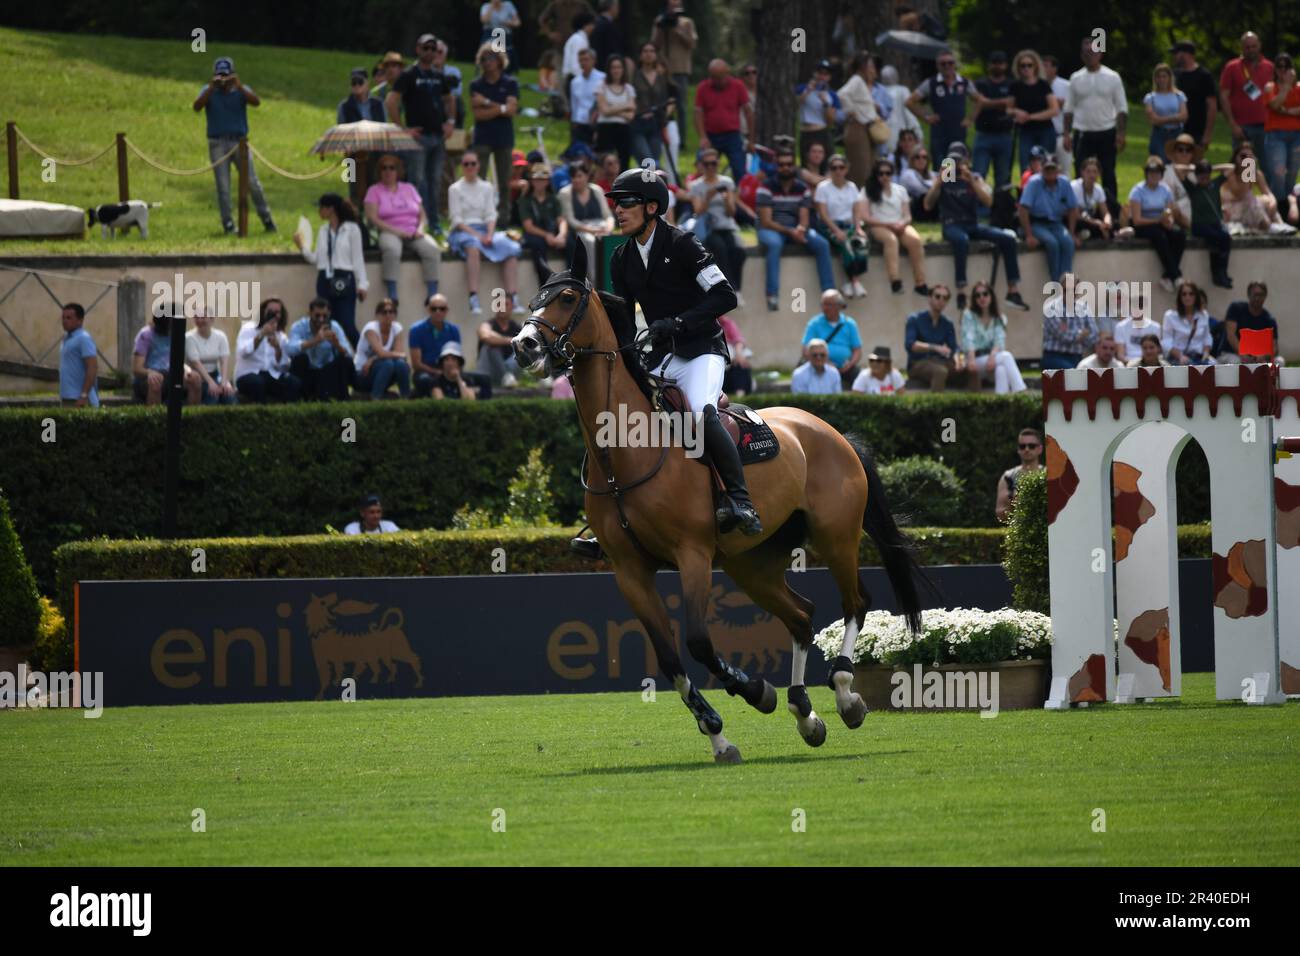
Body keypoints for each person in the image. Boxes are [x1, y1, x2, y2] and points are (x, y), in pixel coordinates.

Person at [574, 165, 756, 559]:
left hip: (700, 350)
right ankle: (610, 518)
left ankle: (739, 500)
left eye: (626, 204)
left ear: (652, 207)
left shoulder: (684, 245)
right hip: (659, 353)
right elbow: (623, 321)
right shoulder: (620, 259)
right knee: (616, 418)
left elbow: (725, 296)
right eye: (616, 204)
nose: (618, 211)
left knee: (701, 415)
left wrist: (678, 322)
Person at [923, 146, 1028, 312]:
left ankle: (1013, 290)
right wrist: (938, 182)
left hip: (971, 224)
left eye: (959, 161)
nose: (956, 166)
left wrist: (971, 180)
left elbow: (989, 202)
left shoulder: (974, 178)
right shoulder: (943, 179)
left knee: (1008, 239)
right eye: (953, 162)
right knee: (961, 241)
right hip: (952, 225)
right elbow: (927, 205)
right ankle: (961, 292)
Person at [193, 55, 275, 235]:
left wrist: (238, 85)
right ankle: (228, 223)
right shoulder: (208, 90)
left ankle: (267, 218)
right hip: (217, 143)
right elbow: (197, 107)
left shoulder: (241, 90)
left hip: (240, 143)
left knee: (252, 182)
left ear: (233, 74)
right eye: (219, 75)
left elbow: (256, 102)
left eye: (226, 75)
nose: (223, 80)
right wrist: (211, 88)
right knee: (223, 186)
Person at [386, 34, 457, 239]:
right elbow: (391, 101)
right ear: (418, 49)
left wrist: (451, 122)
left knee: (435, 181)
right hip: (418, 137)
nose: (429, 52)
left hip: (437, 137)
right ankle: (416, 220)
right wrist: (403, 128)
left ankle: (434, 222)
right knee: (418, 181)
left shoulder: (438, 75)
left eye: (433, 49)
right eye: (426, 48)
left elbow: (449, 99)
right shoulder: (408, 74)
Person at [756, 148, 836, 311]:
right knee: (774, 245)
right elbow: (766, 221)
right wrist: (790, 231)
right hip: (771, 229)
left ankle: (829, 294)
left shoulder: (802, 188)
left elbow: (804, 218)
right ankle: (772, 294)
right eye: (781, 164)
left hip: (794, 229)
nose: (785, 167)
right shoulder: (766, 187)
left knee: (822, 244)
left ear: (794, 166)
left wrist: (800, 229)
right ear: (776, 166)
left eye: (789, 164)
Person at [448, 152, 526, 317]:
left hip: (486, 230)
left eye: (473, 163)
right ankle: (473, 297)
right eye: (466, 164)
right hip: (464, 231)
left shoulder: (487, 187)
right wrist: (478, 236)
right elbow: (457, 219)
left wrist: (489, 234)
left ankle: (513, 296)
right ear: (462, 166)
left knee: (510, 248)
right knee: (473, 247)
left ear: (478, 166)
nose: (470, 167)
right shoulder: (455, 188)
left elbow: (491, 214)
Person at [293, 193, 368, 348]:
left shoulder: (351, 229)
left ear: (331, 209)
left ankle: (363, 355)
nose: (320, 211)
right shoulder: (323, 230)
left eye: (322, 208)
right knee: (325, 322)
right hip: (325, 278)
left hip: (344, 277)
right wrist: (302, 247)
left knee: (347, 324)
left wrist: (362, 284)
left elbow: (357, 258)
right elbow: (317, 259)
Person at [1062, 37, 1127, 217]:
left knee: (1108, 173)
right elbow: (1068, 109)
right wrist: (1067, 134)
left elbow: (1121, 108)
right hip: (1083, 132)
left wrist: (1121, 133)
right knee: (1081, 174)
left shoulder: (1112, 77)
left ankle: (1111, 214)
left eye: (1093, 52)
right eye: (1085, 53)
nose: (1089, 56)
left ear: (1101, 53)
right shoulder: (1076, 78)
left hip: (1106, 131)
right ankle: (1079, 212)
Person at [363, 156, 442, 304]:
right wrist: (397, 232)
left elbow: (422, 214)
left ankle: (432, 293)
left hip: (413, 230)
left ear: (398, 171)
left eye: (391, 168)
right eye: (384, 168)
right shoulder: (374, 190)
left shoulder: (409, 188)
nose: (388, 171)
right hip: (388, 230)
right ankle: (392, 292)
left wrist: (420, 228)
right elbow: (373, 218)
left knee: (432, 249)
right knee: (392, 249)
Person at [860, 158, 928, 295]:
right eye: (881, 173)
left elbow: (908, 215)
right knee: (891, 240)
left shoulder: (900, 190)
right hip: (878, 225)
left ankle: (920, 282)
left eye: (888, 173)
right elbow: (865, 217)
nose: (885, 176)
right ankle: (895, 281)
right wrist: (888, 224)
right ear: (876, 174)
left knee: (915, 240)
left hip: (899, 224)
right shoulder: (867, 190)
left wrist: (902, 223)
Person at [687, 148, 745, 297]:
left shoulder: (727, 182)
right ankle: (729, 288)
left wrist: (727, 200)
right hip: (709, 228)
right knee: (720, 249)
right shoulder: (696, 186)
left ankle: (736, 288)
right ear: (701, 165)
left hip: (727, 226)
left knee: (738, 250)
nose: (711, 167)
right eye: (707, 164)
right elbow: (698, 211)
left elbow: (731, 213)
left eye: (713, 163)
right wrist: (708, 197)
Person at [469, 45, 520, 203]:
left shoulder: (510, 83)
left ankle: (503, 217)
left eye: (491, 58)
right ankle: (478, 213)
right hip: (482, 137)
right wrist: (501, 108)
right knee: (479, 179)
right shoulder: (476, 85)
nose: (487, 62)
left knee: (504, 180)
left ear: (499, 60)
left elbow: (512, 110)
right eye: (483, 59)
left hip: (504, 137)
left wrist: (486, 102)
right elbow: (479, 115)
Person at [814, 155, 869, 300]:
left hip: (849, 224)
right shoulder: (823, 188)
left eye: (841, 167)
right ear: (830, 170)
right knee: (846, 244)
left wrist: (858, 228)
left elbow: (856, 210)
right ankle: (855, 282)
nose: (838, 171)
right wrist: (836, 230)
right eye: (834, 168)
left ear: (847, 169)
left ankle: (850, 283)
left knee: (861, 244)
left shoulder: (851, 187)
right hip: (829, 225)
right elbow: (823, 214)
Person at [1018, 156, 1080, 282]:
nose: (1050, 172)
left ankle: (1066, 280)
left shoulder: (1064, 183)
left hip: (1057, 223)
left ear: (1058, 170)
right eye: (1047, 169)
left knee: (1068, 242)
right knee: (1052, 244)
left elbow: (1073, 209)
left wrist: (1072, 233)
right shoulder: (1034, 183)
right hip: (1037, 223)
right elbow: (1023, 209)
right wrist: (1029, 235)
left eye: (1053, 169)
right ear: (1042, 170)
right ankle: (1055, 282)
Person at [1128, 157, 1186, 291]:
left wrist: (1169, 221)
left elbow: (1169, 210)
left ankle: (1167, 275)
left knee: (1179, 235)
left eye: (1157, 172)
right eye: (1151, 172)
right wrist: (1158, 221)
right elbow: (1137, 219)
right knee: (1159, 236)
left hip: (1160, 222)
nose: (1154, 175)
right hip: (1143, 225)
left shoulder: (1165, 190)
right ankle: (1176, 275)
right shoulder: (1137, 191)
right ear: (1146, 174)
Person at [906, 51, 975, 161]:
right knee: (943, 169)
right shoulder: (931, 83)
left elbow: (979, 100)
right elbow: (909, 102)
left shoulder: (964, 82)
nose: (947, 66)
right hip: (940, 134)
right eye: (943, 64)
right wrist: (926, 117)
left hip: (958, 132)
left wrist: (971, 118)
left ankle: (952, 178)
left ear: (955, 64)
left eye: (950, 63)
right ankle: (945, 178)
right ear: (938, 66)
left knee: (957, 166)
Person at [960, 280, 1026, 393]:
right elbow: (968, 338)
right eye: (977, 295)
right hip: (974, 360)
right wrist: (971, 359)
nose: (982, 298)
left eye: (985, 294)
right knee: (1006, 356)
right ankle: (1021, 392)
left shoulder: (999, 318)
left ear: (991, 296)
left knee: (1001, 369)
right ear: (974, 299)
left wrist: (992, 357)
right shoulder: (968, 315)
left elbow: (999, 340)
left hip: (992, 359)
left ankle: (1001, 404)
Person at [287, 298, 355, 401]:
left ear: (329, 314)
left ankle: (343, 398)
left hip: (326, 372)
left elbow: (349, 355)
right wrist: (315, 340)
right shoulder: (299, 326)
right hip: (307, 372)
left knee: (344, 361)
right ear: (309, 313)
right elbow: (290, 350)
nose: (321, 319)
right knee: (299, 359)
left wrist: (337, 345)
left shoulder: (334, 326)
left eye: (325, 316)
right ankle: (299, 398)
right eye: (317, 316)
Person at [1219, 32, 1274, 160]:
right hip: (1243, 128)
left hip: (1266, 127)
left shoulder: (1270, 67)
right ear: (1242, 48)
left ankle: (1265, 181)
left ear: (1259, 46)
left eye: (1254, 46)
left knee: (1269, 169)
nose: (1251, 50)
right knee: (1246, 169)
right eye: (1247, 47)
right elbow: (1224, 96)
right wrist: (1233, 124)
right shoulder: (1232, 67)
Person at [695, 59, 753, 181]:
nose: (717, 81)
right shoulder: (703, 88)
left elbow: (748, 112)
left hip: (732, 136)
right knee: (703, 166)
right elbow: (698, 113)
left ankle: (739, 196)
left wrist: (751, 139)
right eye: (714, 77)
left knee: (739, 169)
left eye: (720, 77)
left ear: (727, 73)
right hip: (711, 135)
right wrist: (702, 137)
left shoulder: (737, 86)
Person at [1180, 158, 1233, 288]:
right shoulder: (1193, 188)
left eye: (1206, 174)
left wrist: (1211, 168)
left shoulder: (1215, 184)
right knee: (1219, 238)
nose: (1204, 177)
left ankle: (1221, 273)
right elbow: (1178, 170)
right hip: (1199, 225)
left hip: (1215, 223)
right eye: (1201, 175)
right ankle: (1218, 274)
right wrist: (1194, 168)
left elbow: (1231, 168)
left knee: (1225, 239)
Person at [234, 299, 300, 403]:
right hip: (247, 374)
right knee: (258, 383)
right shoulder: (249, 328)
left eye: (277, 312)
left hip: (270, 374)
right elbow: (243, 352)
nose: (274, 315)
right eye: (270, 311)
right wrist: (261, 335)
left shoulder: (281, 336)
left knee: (293, 383)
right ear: (263, 312)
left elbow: (284, 366)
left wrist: (277, 348)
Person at [1220, 143, 1295, 234]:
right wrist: (1248, 171)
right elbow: (1241, 194)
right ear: (1236, 157)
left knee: (1265, 200)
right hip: (1231, 210)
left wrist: (1272, 202)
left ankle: (1279, 224)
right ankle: (1269, 227)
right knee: (1252, 201)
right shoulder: (1231, 173)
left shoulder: (1257, 174)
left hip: (1248, 207)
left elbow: (1267, 192)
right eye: (1243, 156)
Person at [517, 163, 572, 285]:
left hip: (552, 233)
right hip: (535, 234)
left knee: (571, 239)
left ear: (547, 181)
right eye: (536, 180)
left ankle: (573, 277)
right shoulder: (525, 200)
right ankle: (546, 284)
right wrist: (547, 235)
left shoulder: (554, 198)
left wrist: (562, 235)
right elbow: (528, 226)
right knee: (538, 244)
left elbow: (561, 220)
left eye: (542, 180)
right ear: (531, 181)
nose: (539, 183)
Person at [134, 308, 201, 405]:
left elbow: (178, 361)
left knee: (195, 379)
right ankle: (155, 417)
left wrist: (188, 370)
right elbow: (137, 369)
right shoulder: (146, 334)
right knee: (156, 381)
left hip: (172, 373)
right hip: (150, 375)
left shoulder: (177, 333)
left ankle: (192, 417)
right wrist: (151, 373)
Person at [1009, 50, 1060, 178]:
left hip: (1045, 130)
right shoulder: (1015, 86)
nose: (1026, 68)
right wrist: (1017, 111)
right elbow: (1008, 109)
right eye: (1023, 65)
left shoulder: (1043, 85)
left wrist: (1030, 117)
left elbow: (1054, 109)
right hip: (1026, 132)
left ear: (1035, 66)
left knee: (1047, 163)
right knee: (1026, 165)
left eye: (1029, 65)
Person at [558, 159, 614, 273]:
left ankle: (609, 278)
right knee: (591, 241)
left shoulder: (597, 190)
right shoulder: (565, 193)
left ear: (587, 176)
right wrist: (591, 230)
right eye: (573, 177)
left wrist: (608, 228)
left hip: (600, 226)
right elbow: (570, 220)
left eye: (579, 176)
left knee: (608, 240)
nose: (576, 180)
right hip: (580, 230)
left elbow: (608, 215)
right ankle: (594, 280)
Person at [836, 52, 882, 189]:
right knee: (861, 169)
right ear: (863, 66)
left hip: (868, 129)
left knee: (870, 166)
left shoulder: (862, 82)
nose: (872, 69)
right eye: (870, 65)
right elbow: (842, 94)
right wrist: (853, 111)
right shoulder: (856, 80)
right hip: (858, 128)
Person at [971, 51, 1015, 190]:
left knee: (1003, 177)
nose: (997, 66)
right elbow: (978, 102)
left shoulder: (1011, 84)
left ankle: (999, 208)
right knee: (978, 175)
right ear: (989, 65)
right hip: (983, 134)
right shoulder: (980, 83)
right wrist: (1002, 102)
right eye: (994, 63)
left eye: (1000, 63)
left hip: (1004, 134)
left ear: (1005, 65)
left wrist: (987, 102)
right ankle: (980, 209)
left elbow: (1011, 104)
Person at [801, 290, 863, 390]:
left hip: (846, 368)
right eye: (823, 304)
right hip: (820, 364)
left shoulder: (850, 324)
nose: (825, 308)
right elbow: (805, 350)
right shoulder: (814, 324)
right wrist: (825, 363)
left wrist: (850, 363)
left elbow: (857, 350)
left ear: (839, 306)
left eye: (829, 304)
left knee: (860, 380)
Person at [1263, 53, 1300, 214]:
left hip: (1295, 134)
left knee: (1291, 172)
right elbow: (1274, 106)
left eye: (1286, 66)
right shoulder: (1270, 86)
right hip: (1269, 132)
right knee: (1277, 171)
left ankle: (1289, 208)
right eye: (1279, 67)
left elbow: (1279, 107)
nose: (1283, 70)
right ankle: (1276, 206)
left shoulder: (1298, 87)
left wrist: (1285, 110)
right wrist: (1285, 87)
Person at [904, 286, 959, 390]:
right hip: (918, 363)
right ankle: (937, 405)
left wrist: (959, 360)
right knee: (940, 371)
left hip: (940, 361)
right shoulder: (914, 319)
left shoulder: (947, 323)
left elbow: (954, 347)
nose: (941, 300)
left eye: (945, 298)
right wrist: (934, 347)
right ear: (929, 298)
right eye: (937, 296)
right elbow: (910, 344)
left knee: (970, 370)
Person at [650, 0, 698, 118]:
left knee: (681, 106)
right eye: (671, 6)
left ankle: (681, 136)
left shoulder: (687, 23)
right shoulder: (659, 21)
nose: (673, 9)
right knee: (661, 104)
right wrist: (661, 28)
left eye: (676, 6)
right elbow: (654, 45)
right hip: (663, 69)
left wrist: (677, 31)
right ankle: (663, 133)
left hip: (681, 69)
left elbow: (692, 44)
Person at [1171, 41, 1217, 161]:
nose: (1174, 57)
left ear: (1186, 54)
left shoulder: (1204, 76)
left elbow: (1212, 105)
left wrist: (1207, 134)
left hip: (1197, 130)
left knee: (1195, 164)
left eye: (1176, 53)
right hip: (1176, 128)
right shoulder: (1175, 75)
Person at [354, 298, 410, 398]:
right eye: (384, 312)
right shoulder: (371, 328)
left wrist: (373, 358)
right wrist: (382, 356)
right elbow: (384, 353)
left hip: (382, 370)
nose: (388, 315)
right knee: (387, 364)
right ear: (377, 315)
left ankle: (406, 398)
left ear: (395, 315)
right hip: (362, 373)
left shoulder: (397, 328)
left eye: (391, 312)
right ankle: (376, 399)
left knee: (401, 364)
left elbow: (399, 354)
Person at [410, 294, 463, 397]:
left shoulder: (454, 330)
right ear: (428, 310)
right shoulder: (416, 330)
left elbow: (457, 358)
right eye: (434, 309)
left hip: (448, 369)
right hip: (426, 370)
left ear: (447, 310)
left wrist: (451, 372)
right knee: (425, 380)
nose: (438, 312)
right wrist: (436, 372)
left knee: (483, 379)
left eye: (442, 309)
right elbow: (416, 364)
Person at [631, 43, 673, 172]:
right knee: (648, 161)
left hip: (656, 124)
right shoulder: (634, 76)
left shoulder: (661, 78)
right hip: (638, 123)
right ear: (641, 55)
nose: (648, 54)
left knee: (653, 163)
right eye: (645, 51)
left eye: (652, 51)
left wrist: (664, 125)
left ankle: (650, 190)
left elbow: (665, 102)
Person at [1041, 277, 1099, 369]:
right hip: (1055, 356)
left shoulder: (1084, 307)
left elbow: (1094, 335)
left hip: (1077, 357)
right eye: (1066, 290)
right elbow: (1064, 335)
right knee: (1074, 377)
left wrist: (1077, 335)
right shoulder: (1051, 308)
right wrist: (1082, 334)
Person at [185, 306, 237, 405]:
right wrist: (210, 383)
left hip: (215, 374)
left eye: (203, 317)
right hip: (198, 377)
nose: (200, 320)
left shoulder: (220, 336)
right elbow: (196, 363)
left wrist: (224, 382)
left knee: (229, 395)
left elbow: (224, 361)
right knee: (213, 395)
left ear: (212, 319)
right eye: (196, 317)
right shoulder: (189, 338)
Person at [1220, 282, 1279, 363]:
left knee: (1279, 361)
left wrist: (1264, 355)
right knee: (1237, 363)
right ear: (1248, 295)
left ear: (1265, 296)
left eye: (1261, 295)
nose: (1257, 298)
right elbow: (1231, 335)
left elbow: (1274, 346)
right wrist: (1242, 354)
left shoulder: (1269, 319)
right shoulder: (1235, 308)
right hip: (1231, 354)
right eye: (1255, 294)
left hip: (1258, 358)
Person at [595, 55, 636, 170]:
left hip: (623, 130)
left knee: (623, 160)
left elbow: (630, 115)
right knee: (604, 161)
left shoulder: (629, 89)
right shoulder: (601, 86)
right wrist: (624, 107)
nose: (616, 70)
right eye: (613, 67)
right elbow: (604, 111)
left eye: (619, 67)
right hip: (605, 128)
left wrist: (612, 108)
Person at [798, 59, 840, 168]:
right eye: (820, 73)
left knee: (824, 165)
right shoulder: (803, 88)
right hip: (806, 132)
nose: (822, 77)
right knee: (806, 165)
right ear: (815, 73)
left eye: (826, 74)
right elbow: (795, 105)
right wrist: (808, 91)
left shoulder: (832, 95)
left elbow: (831, 121)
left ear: (829, 77)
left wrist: (825, 103)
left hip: (821, 132)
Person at [995, 428, 1043, 522]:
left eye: (1031, 446)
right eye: (1022, 446)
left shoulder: (1049, 475)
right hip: (1019, 533)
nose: (1027, 449)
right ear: (1018, 449)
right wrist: (1012, 507)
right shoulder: (1008, 477)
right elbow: (999, 514)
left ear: (1040, 449)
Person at [1162, 280, 1214, 365]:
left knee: (1215, 368)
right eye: (1184, 294)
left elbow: (1207, 337)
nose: (1187, 297)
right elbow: (1166, 342)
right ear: (1180, 297)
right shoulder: (1170, 316)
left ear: (1196, 296)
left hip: (1199, 357)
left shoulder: (1203, 315)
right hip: (1178, 358)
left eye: (1191, 294)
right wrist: (1180, 356)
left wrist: (1206, 353)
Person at [1143, 63, 1188, 159]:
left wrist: (1162, 119)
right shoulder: (1151, 97)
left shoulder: (1179, 95)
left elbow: (1184, 116)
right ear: (1155, 79)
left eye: (1164, 76)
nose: (1162, 80)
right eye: (1159, 77)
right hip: (1159, 134)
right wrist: (1175, 117)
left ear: (1169, 78)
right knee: (1159, 161)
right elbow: (1154, 119)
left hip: (1176, 133)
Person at [58, 303, 99, 408]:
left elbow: (92, 367)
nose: (64, 321)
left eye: (69, 318)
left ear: (80, 320)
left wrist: (84, 395)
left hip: (80, 399)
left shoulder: (83, 338)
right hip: (68, 397)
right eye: (63, 318)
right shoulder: (66, 339)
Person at [477, 302, 523, 387]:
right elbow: (485, 336)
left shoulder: (517, 327)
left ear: (512, 307)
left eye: (506, 304)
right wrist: (511, 340)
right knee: (491, 347)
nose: (502, 308)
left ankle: (508, 377)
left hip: (511, 371)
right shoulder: (487, 324)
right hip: (489, 372)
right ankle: (506, 377)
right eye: (499, 304)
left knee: (523, 349)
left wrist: (496, 337)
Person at [880, 66, 921, 158]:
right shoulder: (902, 90)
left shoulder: (878, 90)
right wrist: (918, 133)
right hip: (899, 136)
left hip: (884, 137)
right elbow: (910, 115)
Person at [568, 47, 605, 147]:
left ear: (594, 60)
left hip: (596, 122)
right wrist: (573, 123)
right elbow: (574, 104)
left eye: (586, 59)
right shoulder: (575, 82)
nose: (583, 63)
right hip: (580, 122)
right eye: (581, 60)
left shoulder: (602, 78)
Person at [1071, 156, 1113, 240]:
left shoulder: (1098, 189)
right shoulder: (1074, 187)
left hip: (1090, 219)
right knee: (1084, 224)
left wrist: (1107, 221)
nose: (1092, 175)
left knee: (1110, 226)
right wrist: (1095, 223)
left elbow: (1105, 212)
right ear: (1082, 173)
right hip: (1077, 219)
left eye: (1095, 172)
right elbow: (1075, 214)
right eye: (1088, 172)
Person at [1042, 54, 1071, 171]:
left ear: (1054, 68)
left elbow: (1072, 109)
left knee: (1064, 170)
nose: (1043, 69)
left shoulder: (1066, 86)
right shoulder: (1037, 86)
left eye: (1046, 66)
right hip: (1043, 134)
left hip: (1061, 134)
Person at [480, 0, 522, 74]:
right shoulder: (486, 7)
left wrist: (508, 23)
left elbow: (517, 22)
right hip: (490, 33)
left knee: (506, 50)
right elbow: (484, 21)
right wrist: (491, 7)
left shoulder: (508, 5)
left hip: (505, 33)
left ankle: (506, 70)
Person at [899, 146, 937, 221]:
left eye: (924, 157)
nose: (921, 160)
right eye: (917, 157)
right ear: (912, 159)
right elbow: (920, 189)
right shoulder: (907, 174)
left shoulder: (931, 174)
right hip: (916, 208)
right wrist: (937, 184)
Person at [719, 315, 752, 396]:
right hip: (721, 368)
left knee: (740, 363)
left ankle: (740, 395)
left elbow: (738, 340)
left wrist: (738, 354)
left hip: (731, 364)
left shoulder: (727, 323)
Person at [590, 0, 626, 70]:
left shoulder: (596, 22)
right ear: (612, 7)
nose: (618, 10)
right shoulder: (608, 25)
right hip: (607, 68)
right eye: (617, 7)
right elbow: (611, 49)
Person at [562, 11, 596, 84]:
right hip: (574, 78)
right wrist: (582, 80)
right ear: (585, 25)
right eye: (591, 24)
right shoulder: (579, 40)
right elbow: (576, 63)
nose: (593, 27)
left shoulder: (578, 38)